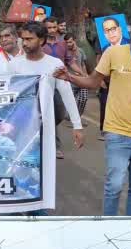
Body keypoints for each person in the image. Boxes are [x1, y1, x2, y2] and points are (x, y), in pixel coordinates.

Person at [56, 10, 131, 215]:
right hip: (117, 133)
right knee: (114, 186)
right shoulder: (113, 53)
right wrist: (69, 77)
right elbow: (94, 82)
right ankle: (111, 228)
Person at [8, 22, 85, 157]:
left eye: (29, 39)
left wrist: (77, 126)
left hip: (48, 126)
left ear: (41, 40)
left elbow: (67, 95)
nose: (24, 43)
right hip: (21, 126)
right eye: (23, 39)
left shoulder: (55, 64)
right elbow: (8, 96)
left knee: (46, 166)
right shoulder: (14, 64)